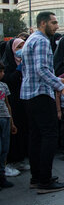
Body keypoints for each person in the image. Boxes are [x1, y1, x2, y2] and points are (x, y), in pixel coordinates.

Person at [21, 12, 64, 194]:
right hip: (41, 94)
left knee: (36, 137)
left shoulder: (32, 39)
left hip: (29, 95)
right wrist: (62, 88)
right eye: (54, 22)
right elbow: (41, 69)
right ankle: (45, 180)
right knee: (49, 135)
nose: (57, 26)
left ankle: (37, 177)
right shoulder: (41, 40)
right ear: (43, 23)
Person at [2, 38, 29, 176]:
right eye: (19, 46)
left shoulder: (26, 62)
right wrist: (19, 70)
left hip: (23, 100)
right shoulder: (7, 65)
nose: (22, 49)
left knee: (23, 129)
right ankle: (9, 162)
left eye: (24, 45)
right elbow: (9, 80)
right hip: (11, 103)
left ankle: (19, 158)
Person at [0, 62, 17, 189]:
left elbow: (7, 104)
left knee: (5, 148)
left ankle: (2, 176)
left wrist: (12, 122)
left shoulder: (4, 86)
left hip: (5, 118)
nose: (2, 74)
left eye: (2, 71)